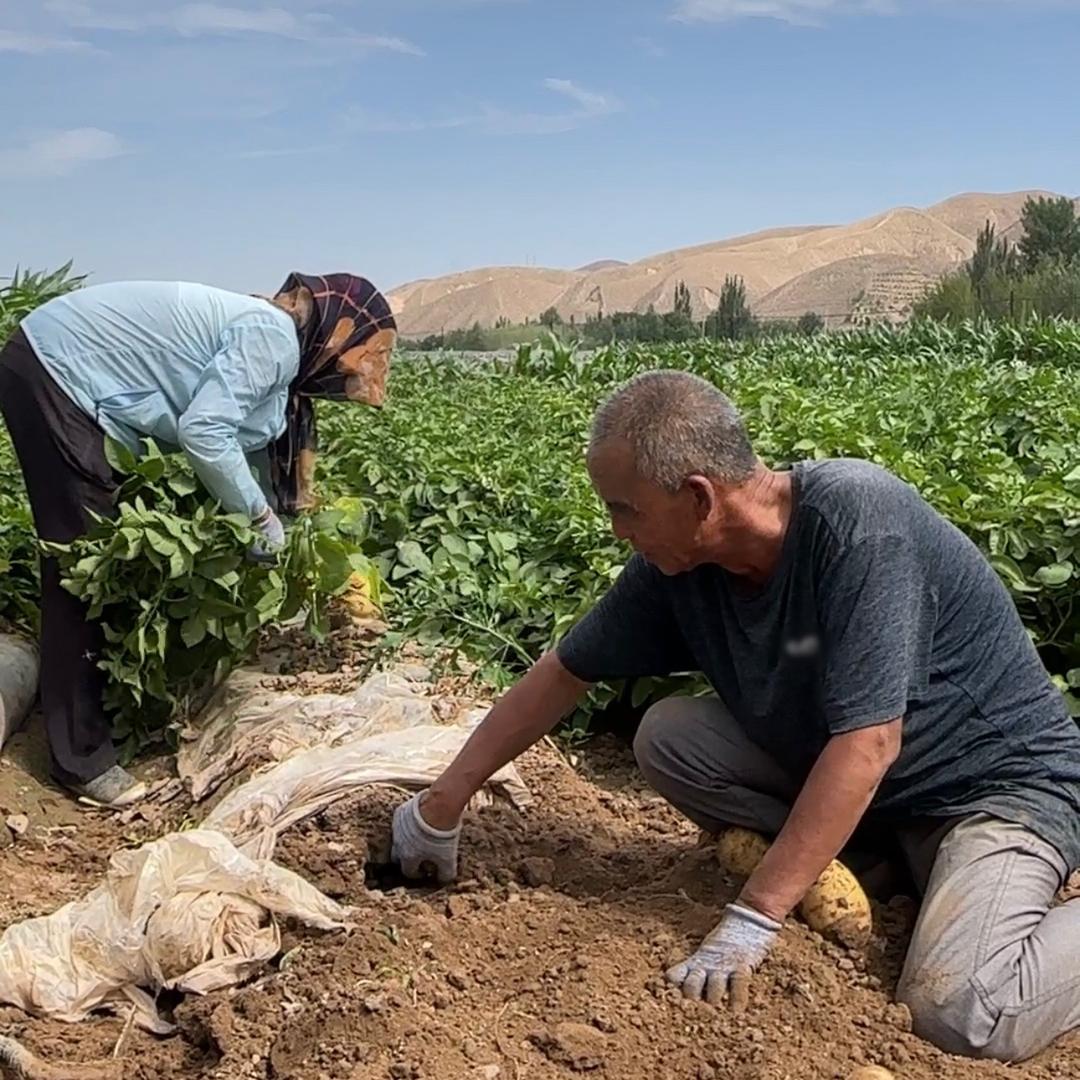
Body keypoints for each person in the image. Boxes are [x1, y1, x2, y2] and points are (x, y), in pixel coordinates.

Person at [390, 369, 1080, 1064]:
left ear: (696, 497)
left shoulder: (860, 525)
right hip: (873, 794)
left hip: (990, 793)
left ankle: (919, 876)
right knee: (671, 738)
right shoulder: (678, 568)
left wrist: (757, 914)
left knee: (962, 1012)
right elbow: (566, 671)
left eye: (625, 509)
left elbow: (870, 742)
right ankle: (875, 864)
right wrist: (441, 806)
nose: (615, 529)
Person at [0, 273, 396, 808]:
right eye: (349, 361)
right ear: (334, 338)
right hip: (57, 371)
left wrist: (281, 526)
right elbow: (206, 432)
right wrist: (258, 520)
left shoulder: (273, 354)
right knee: (83, 568)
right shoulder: (273, 337)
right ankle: (82, 758)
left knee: (95, 554)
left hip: (57, 364)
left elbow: (242, 444)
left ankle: (82, 707)